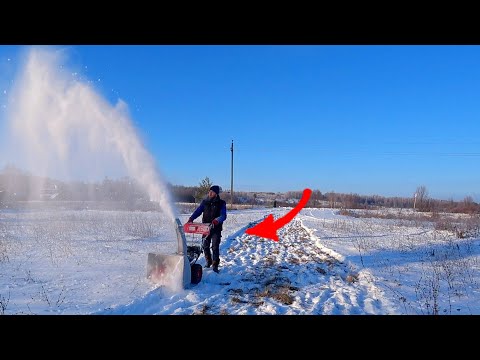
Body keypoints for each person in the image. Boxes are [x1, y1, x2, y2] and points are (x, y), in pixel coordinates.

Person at [187, 185, 227, 273]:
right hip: (205, 228)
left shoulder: (221, 203)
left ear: (216, 193)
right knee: (205, 246)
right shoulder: (205, 202)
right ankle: (208, 261)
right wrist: (191, 218)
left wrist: (217, 220)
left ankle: (215, 265)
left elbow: (223, 215)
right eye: (209, 191)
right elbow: (198, 211)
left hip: (215, 228)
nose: (210, 193)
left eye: (212, 192)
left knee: (215, 246)